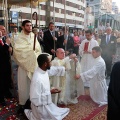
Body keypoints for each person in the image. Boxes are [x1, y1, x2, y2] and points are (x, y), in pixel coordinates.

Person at [24, 54, 70, 120]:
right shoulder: (37, 79)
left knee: (59, 113)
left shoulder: (42, 70)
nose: (51, 63)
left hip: (46, 103)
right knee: (54, 117)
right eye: (49, 62)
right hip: (39, 107)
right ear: (45, 64)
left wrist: (63, 69)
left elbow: (53, 70)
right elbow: (34, 99)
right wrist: (50, 92)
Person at [13, 20, 42, 114]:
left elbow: (38, 49)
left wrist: (35, 54)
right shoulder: (19, 38)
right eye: (27, 25)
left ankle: (32, 103)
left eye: (30, 25)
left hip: (34, 65)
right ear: (22, 27)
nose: (30, 27)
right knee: (24, 87)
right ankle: (23, 105)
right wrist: (30, 53)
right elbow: (18, 52)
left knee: (33, 86)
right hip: (24, 66)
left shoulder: (34, 36)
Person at [0, 31, 13, 106]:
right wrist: (6, 44)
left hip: (5, 64)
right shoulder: (5, 41)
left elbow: (6, 50)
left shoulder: (4, 39)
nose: (1, 33)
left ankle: (6, 93)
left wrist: (10, 49)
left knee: (6, 79)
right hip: (1, 64)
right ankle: (1, 98)